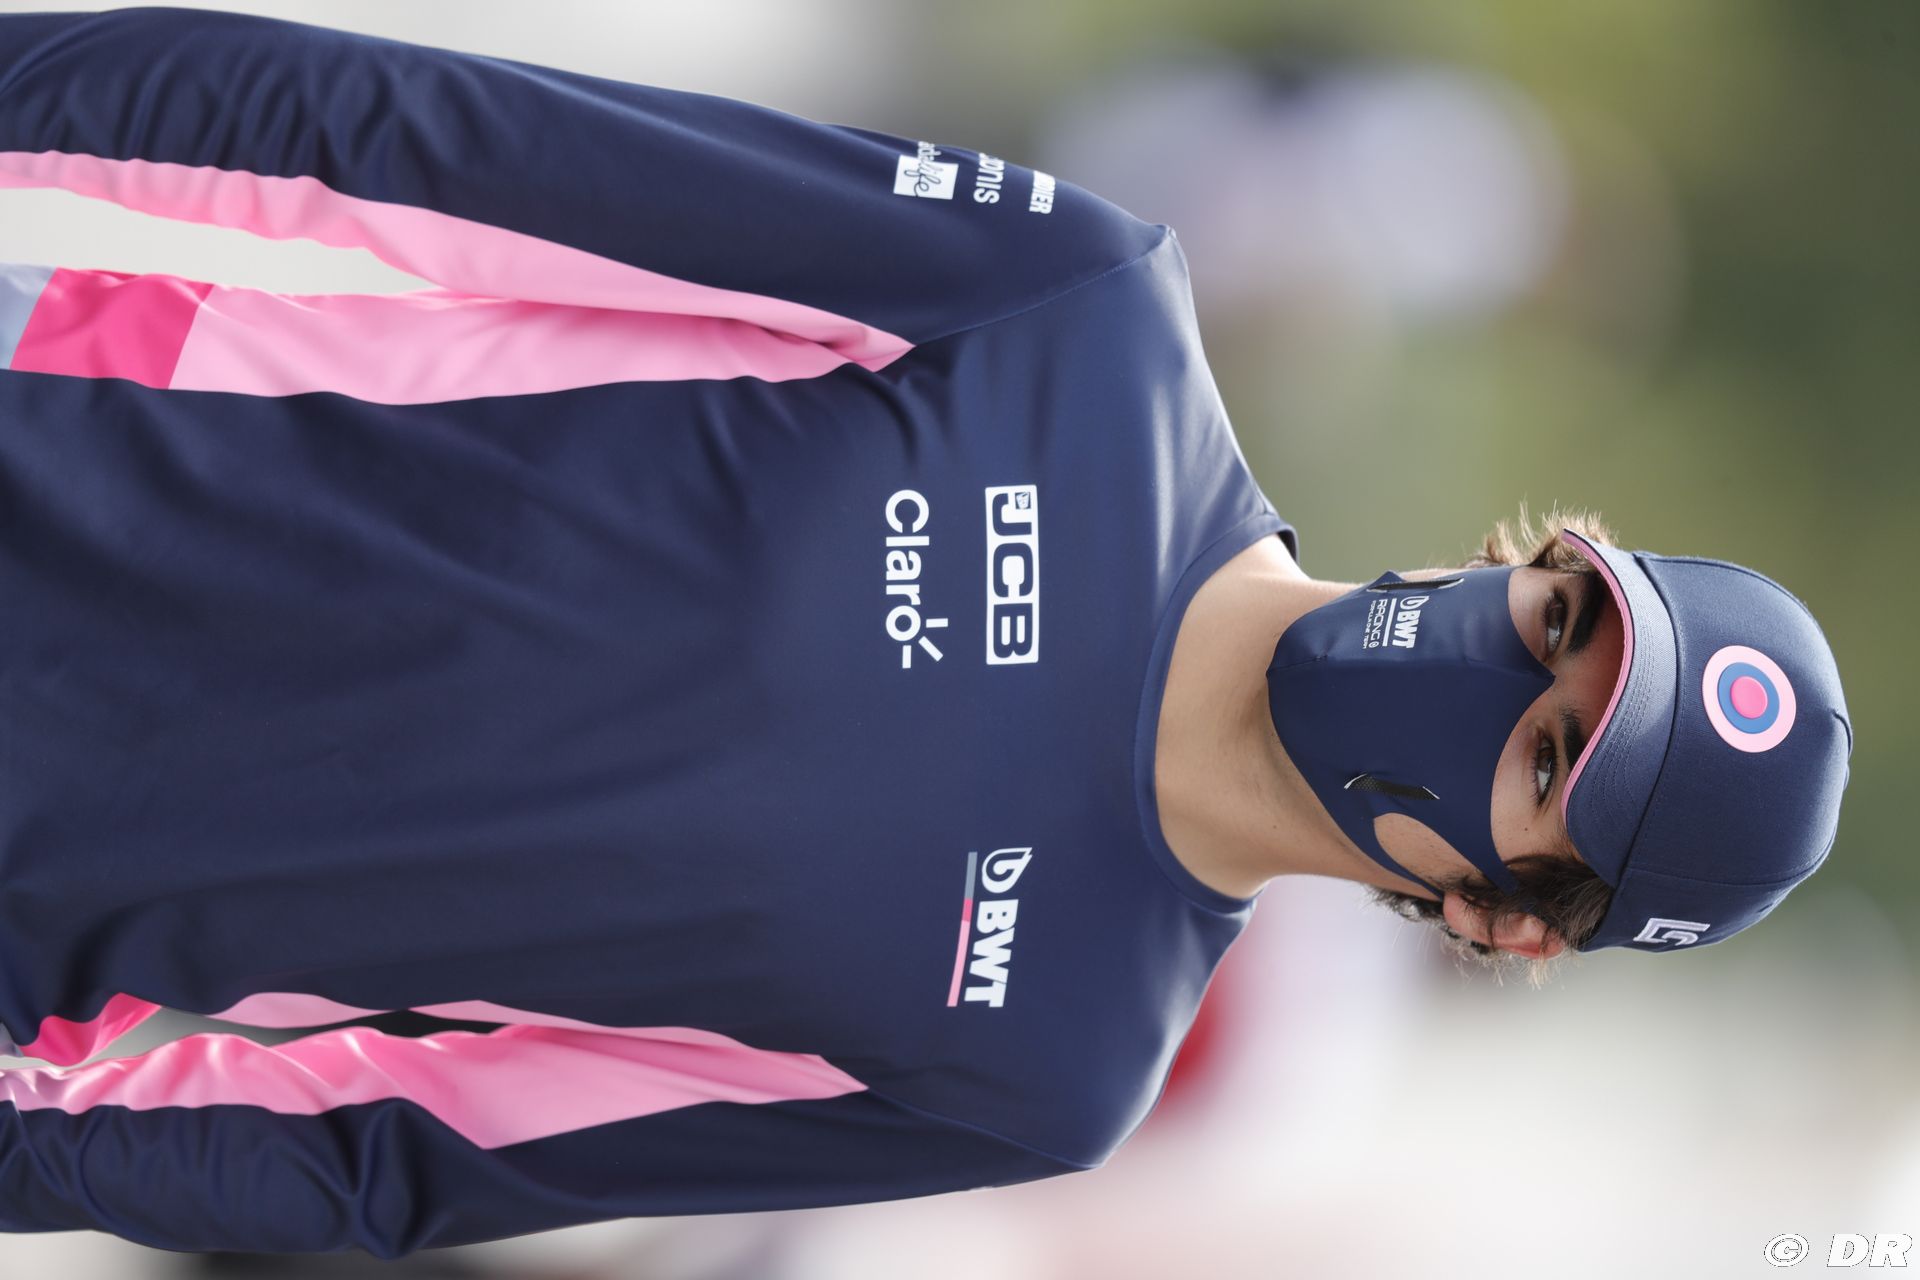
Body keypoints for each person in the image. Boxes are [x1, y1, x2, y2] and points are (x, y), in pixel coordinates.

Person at [0, 6, 1851, 1259]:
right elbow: (403, 145)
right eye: (1553, 618)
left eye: (1545, 752)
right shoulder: (1076, 317)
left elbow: (395, 1150)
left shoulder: (1045, 1070)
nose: (1492, 665)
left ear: (1506, 921)